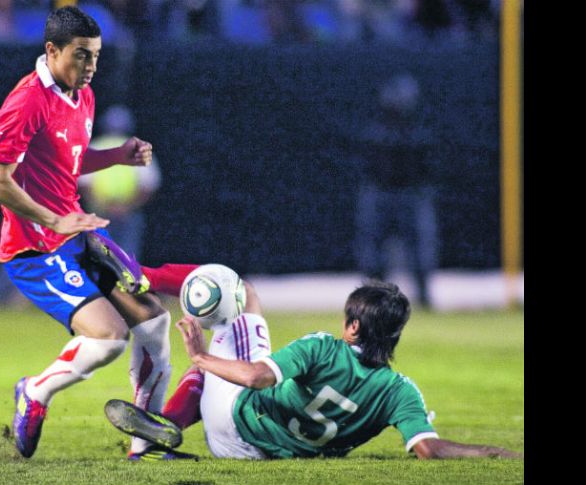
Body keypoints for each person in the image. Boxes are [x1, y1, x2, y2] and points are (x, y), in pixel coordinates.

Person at [0, 5, 172, 460]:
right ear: (52, 50)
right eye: (82, 56)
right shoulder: (26, 100)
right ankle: (35, 392)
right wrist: (52, 220)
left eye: (97, 57)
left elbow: (69, 161)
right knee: (108, 338)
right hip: (34, 248)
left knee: (154, 321)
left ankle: (145, 447)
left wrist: (117, 156)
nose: (91, 67)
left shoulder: (81, 94)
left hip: (74, 234)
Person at [105, 279, 522, 460]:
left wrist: (200, 357)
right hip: (263, 456)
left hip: (233, 421)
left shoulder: (324, 347)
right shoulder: (400, 391)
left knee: (242, 295)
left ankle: (162, 426)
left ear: (354, 326)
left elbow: (254, 377)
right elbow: (429, 449)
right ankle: (166, 425)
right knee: (226, 364)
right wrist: (492, 451)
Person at [354, 73, 438, 308]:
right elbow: (367, 166)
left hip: (411, 194)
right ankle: (373, 301)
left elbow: (427, 167)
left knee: (420, 248)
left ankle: (423, 295)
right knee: (373, 251)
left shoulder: (419, 132)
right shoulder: (375, 131)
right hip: (380, 193)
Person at [78, 105, 162, 259]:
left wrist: (102, 205)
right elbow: (149, 186)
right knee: (127, 258)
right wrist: (125, 207)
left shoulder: (94, 147)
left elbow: (84, 185)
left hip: (99, 213)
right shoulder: (139, 149)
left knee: (99, 257)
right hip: (126, 213)